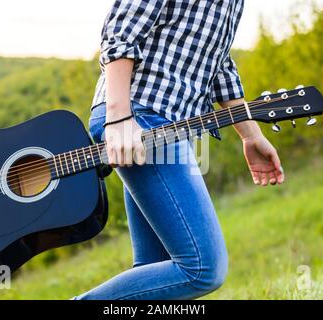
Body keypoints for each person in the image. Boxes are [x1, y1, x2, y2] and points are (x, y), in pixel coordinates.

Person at [73, 0, 284, 300]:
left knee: (154, 272)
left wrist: (250, 135)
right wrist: (119, 117)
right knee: (201, 268)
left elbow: (218, 64)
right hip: (140, 117)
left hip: (167, 123)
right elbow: (122, 28)